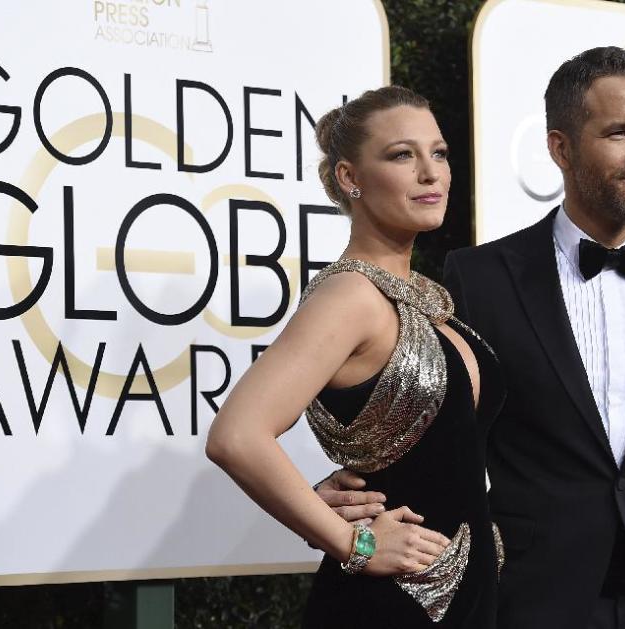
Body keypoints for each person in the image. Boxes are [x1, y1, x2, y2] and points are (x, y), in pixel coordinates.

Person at [318, 48, 625, 628]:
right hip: (534, 597)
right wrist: (352, 495)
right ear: (560, 147)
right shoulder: (479, 278)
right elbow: (442, 433)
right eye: (618, 132)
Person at [206, 85, 506, 628]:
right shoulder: (349, 298)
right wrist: (353, 543)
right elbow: (236, 436)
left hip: (464, 595)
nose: (430, 173)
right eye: (401, 155)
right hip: (391, 604)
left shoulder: (424, 295)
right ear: (350, 178)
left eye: (438, 153)